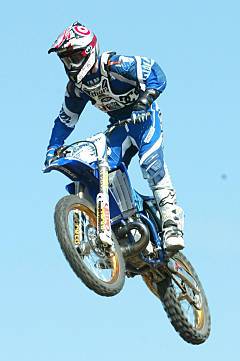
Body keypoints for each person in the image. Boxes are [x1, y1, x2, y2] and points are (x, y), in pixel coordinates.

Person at [44, 21, 184, 252]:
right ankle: (126, 223)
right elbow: (65, 119)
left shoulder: (114, 64)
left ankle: (171, 223)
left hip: (144, 118)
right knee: (103, 172)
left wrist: (146, 99)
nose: (70, 64)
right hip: (118, 126)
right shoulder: (77, 88)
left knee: (151, 164)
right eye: (66, 59)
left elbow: (156, 72)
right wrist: (53, 148)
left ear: (89, 52)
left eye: (74, 57)